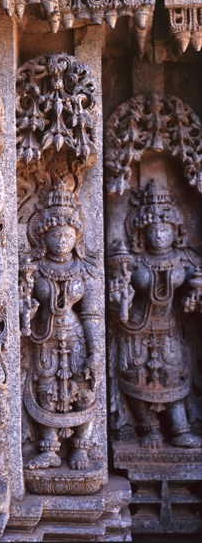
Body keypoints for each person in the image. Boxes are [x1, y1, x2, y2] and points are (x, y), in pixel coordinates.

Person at [109, 180, 202, 449]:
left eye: (165, 229)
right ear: (141, 232)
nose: (159, 235)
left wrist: (194, 297)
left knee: (174, 375)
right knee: (135, 375)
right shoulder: (135, 261)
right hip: (136, 329)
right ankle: (147, 428)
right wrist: (120, 297)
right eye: (152, 229)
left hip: (171, 329)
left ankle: (180, 428)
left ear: (176, 231)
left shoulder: (186, 260)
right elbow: (118, 298)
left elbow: (194, 297)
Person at [21, 181, 101, 470]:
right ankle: (49, 448)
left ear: (76, 236)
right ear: (44, 236)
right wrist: (25, 311)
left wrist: (95, 351)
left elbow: (92, 315)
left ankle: (80, 447)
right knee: (45, 389)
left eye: (67, 235)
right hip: (45, 337)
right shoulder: (34, 268)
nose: (61, 241)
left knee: (84, 389)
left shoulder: (85, 269)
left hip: (76, 335)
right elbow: (23, 309)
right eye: (55, 235)